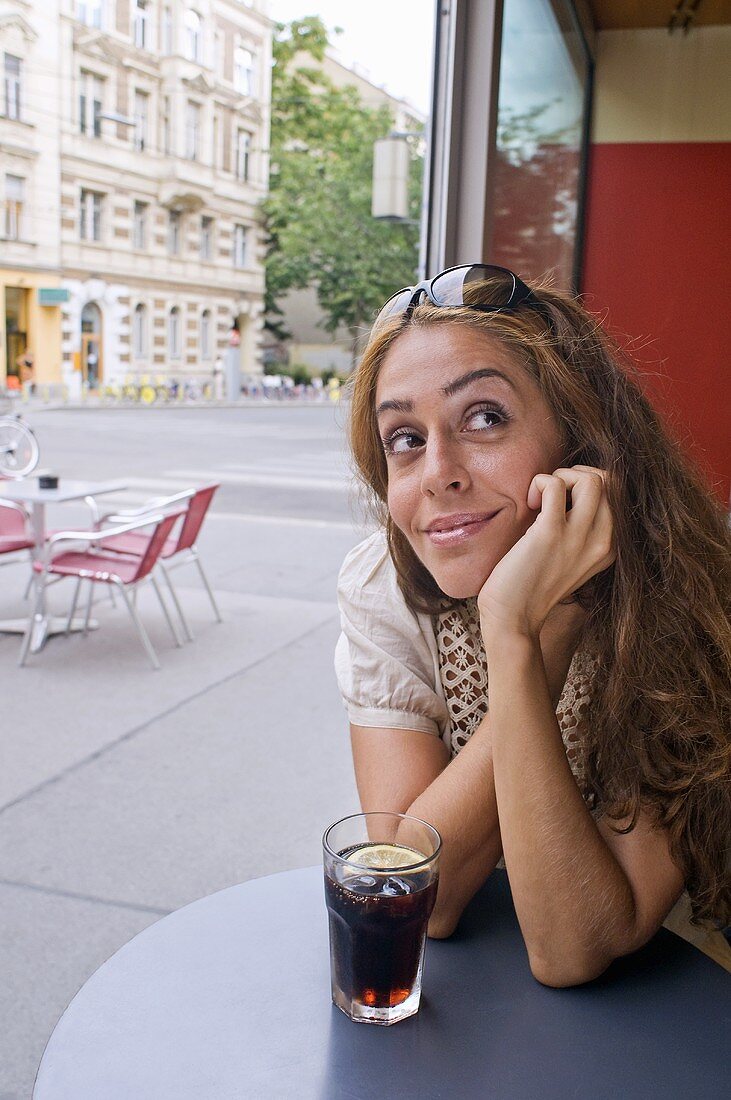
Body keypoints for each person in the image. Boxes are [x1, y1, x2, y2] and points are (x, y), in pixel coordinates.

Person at [335, 263, 731, 986]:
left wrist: (513, 635)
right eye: (403, 438)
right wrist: (536, 634)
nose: (437, 472)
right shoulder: (381, 585)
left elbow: (575, 947)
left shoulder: (685, 595)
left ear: (580, 441)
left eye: (484, 417)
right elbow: (420, 898)